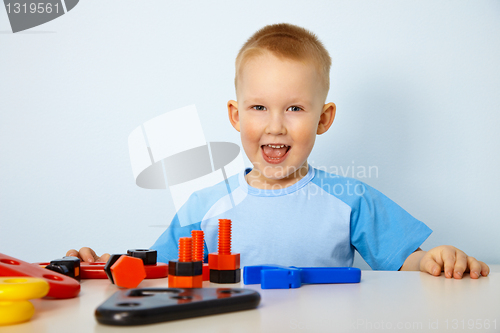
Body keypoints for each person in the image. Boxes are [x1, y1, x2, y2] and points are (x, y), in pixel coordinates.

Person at [67, 23, 489, 279]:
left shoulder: (351, 200)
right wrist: (101, 264)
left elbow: (405, 265)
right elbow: (149, 271)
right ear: (235, 115)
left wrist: (435, 260)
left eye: (294, 108)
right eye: (258, 107)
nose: (274, 125)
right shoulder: (203, 206)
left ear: (323, 119)